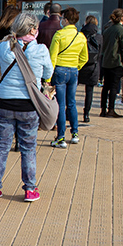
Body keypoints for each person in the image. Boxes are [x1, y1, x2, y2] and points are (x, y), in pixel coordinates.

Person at [0, 13, 53, 202]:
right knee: (28, 148)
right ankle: (30, 189)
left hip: (4, 102)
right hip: (28, 105)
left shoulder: (4, 47)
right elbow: (49, 72)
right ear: (31, 30)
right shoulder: (42, 50)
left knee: (1, 147)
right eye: (36, 28)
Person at [49, 8, 89, 149]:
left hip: (60, 69)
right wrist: (76, 67)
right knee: (71, 103)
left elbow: (52, 56)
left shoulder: (59, 35)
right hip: (73, 70)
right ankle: (75, 133)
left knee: (60, 104)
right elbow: (85, 57)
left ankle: (60, 137)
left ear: (65, 20)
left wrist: (48, 76)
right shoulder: (81, 36)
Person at [99, 9, 123, 118]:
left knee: (106, 86)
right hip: (116, 62)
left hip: (106, 61)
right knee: (113, 87)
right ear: (122, 18)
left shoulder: (107, 30)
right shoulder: (121, 31)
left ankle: (103, 109)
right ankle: (111, 109)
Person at [78, 15, 101, 124]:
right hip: (93, 66)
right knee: (90, 91)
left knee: (72, 90)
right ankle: (86, 114)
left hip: (80, 65)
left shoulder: (80, 35)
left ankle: (69, 111)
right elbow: (101, 53)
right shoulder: (99, 37)